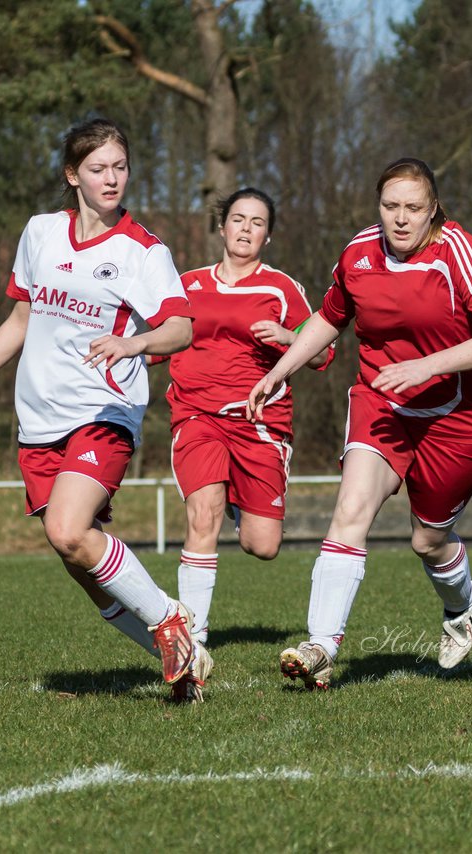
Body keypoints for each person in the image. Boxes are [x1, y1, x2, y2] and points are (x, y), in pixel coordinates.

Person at [0, 118, 215, 702]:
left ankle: (171, 621)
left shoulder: (143, 251)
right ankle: (186, 665)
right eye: (98, 168)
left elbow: (180, 329)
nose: (112, 179)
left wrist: (133, 343)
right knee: (79, 562)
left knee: (67, 528)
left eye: (121, 167)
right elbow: (21, 319)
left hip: (104, 410)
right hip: (39, 418)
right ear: (72, 175)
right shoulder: (39, 233)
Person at [247, 157, 472, 690]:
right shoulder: (359, 251)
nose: (400, 219)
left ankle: (462, 605)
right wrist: (281, 370)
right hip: (382, 405)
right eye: (390, 206)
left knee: (427, 542)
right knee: (350, 510)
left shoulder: (456, 251)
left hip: (455, 419)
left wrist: (425, 366)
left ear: (433, 210)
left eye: (413, 208)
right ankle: (321, 646)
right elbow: (330, 317)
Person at [157, 188, 332, 653]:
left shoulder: (281, 287)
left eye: (257, 222)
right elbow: (157, 338)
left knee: (263, 544)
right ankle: (192, 641)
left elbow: (324, 352)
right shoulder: (187, 283)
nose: (246, 229)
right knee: (202, 514)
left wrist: (285, 335)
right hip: (196, 414)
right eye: (238, 219)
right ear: (221, 227)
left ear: (268, 236)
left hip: (260, 422)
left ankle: (239, 499)